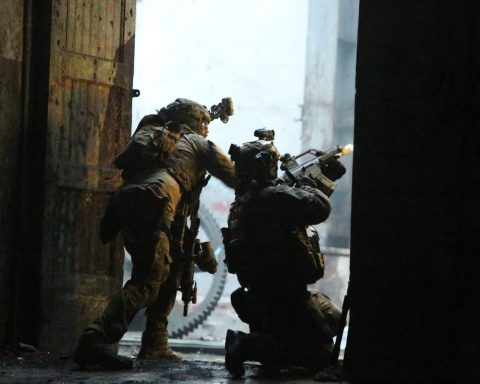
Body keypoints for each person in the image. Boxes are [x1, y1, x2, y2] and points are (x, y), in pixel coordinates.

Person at [73, 98, 236, 369]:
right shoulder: (197, 143)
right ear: (194, 122)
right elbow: (236, 176)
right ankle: (95, 340)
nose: (208, 129)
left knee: (169, 268)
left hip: (131, 202)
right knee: (148, 280)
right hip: (156, 201)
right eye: (205, 123)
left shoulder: (160, 142)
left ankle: (155, 343)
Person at [222, 133, 346, 377]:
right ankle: (246, 345)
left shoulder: (251, 199)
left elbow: (300, 211)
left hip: (270, 292)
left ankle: (270, 340)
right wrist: (307, 184)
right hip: (280, 295)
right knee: (321, 354)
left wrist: (326, 179)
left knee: (335, 319)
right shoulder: (272, 196)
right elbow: (319, 209)